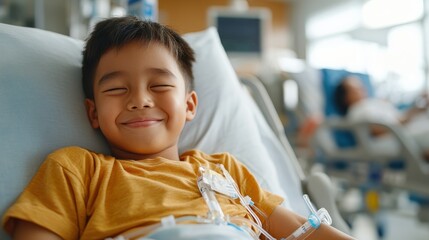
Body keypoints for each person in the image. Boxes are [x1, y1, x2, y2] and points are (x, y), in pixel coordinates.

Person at [2, 16, 354, 240]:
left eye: (158, 86)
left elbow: (305, 233)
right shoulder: (78, 170)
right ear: (93, 113)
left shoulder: (225, 171)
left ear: (189, 105)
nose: (139, 100)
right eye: (116, 89)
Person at [334, 75, 429, 160]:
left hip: (404, 130)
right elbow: (378, 131)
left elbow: (399, 116)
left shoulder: (372, 103)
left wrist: (417, 108)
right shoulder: (356, 110)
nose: (363, 89)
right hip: (393, 138)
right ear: (346, 97)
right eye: (356, 89)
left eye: (361, 86)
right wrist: (410, 115)